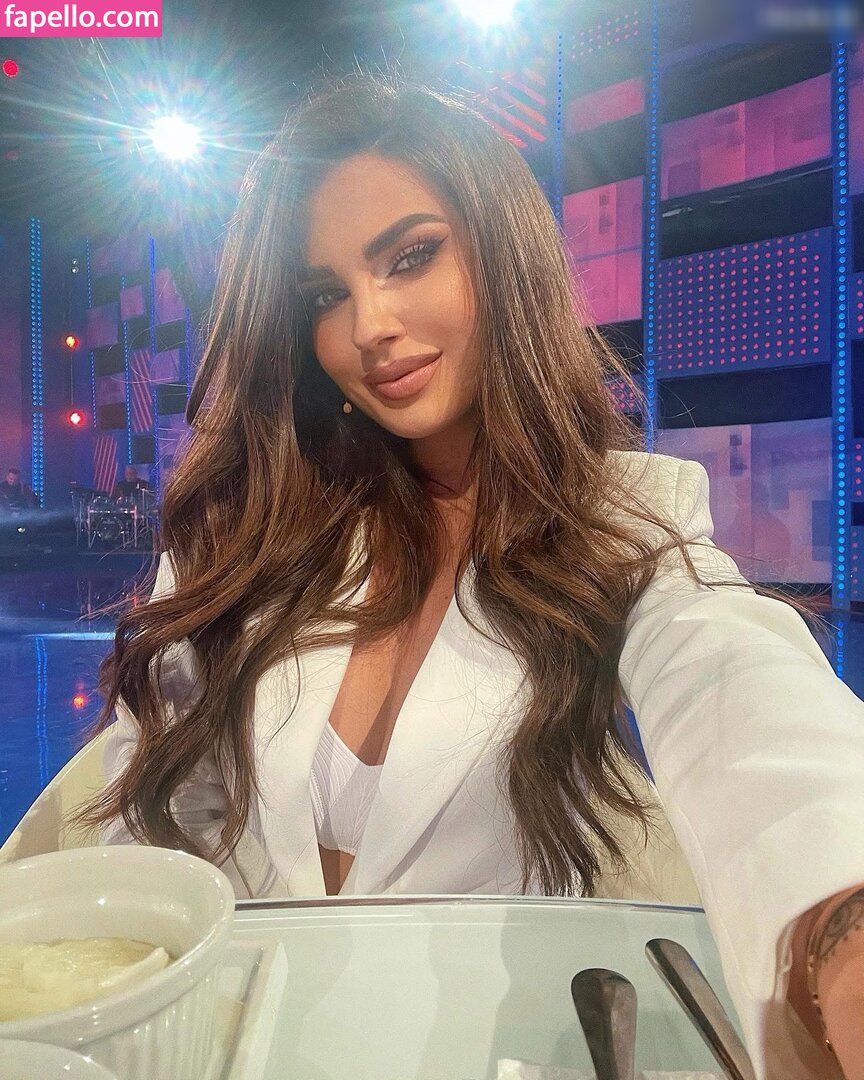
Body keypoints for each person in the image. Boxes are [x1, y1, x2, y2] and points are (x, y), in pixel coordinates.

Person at [77, 76, 864, 1080]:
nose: (369, 323)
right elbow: (150, 818)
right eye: (325, 295)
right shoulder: (250, 526)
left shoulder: (621, 517)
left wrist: (841, 923)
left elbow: (736, 689)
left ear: (502, 255)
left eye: (410, 256)